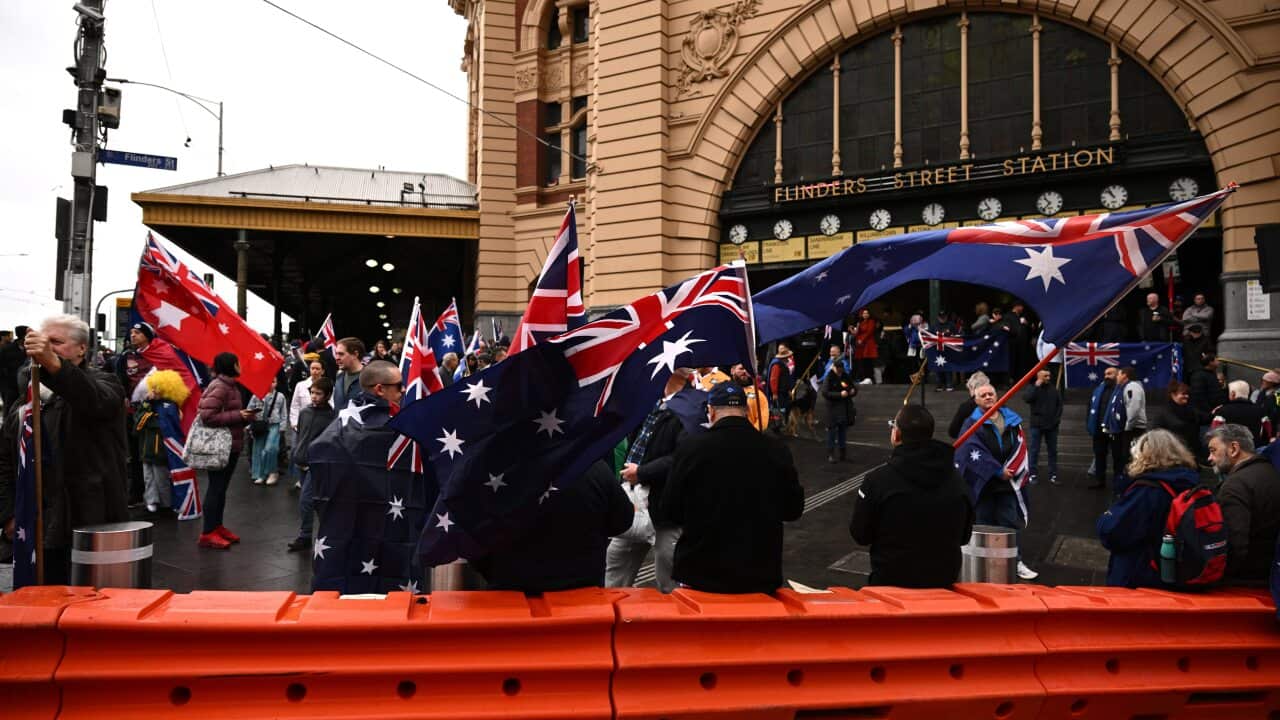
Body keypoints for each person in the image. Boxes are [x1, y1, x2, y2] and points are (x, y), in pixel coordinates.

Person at [0, 315, 128, 583]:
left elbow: (93, 399)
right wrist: (9, 514)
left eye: (56, 342)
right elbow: (5, 461)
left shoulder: (106, 384)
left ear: (82, 348)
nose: (47, 348)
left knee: (90, 608)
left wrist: (53, 365)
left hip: (90, 522)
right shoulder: (23, 401)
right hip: (36, 525)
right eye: (43, 342)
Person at [661, 381, 803, 594]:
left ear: (710, 411)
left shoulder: (691, 449)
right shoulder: (776, 449)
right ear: (746, 411)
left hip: (700, 572)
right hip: (759, 574)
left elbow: (670, 510)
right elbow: (793, 509)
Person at [850, 405, 974, 588]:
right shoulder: (957, 480)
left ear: (897, 434)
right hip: (942, 583)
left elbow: (860, 534)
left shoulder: (877, 480)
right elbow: (965, 536)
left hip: (891, 583)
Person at [605, 368, 704, 593]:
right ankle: (610, 618)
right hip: (635, 497)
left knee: (667, 579)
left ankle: (674, 624)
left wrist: (643, 471)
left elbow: (683, 457)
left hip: (665, 505)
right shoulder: (652, 399)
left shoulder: (691, 407)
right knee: (615, 564)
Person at [477, 458, 634, 591]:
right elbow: (622, 521)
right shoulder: (592, 463)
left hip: (509, 596)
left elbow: (471, 539)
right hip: (583, 600)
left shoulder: (491, 470)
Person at [1096, 429, 1200, 588]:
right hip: (1172, 569)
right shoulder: (1188, 482)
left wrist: (1106, 518)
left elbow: (1112, 531)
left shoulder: (1148, 490)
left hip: (1141, 574)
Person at [957, 383, 1038, 581]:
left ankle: (1015, 560)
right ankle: (981, 562)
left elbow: (1021, 446)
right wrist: (996, 470)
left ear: (997, 396)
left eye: (990, 393)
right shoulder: (971, 423)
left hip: (1008, 485)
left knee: (1009, 524)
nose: (987, 397)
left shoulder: (1012, 420)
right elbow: (969, 449)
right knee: (983, 523)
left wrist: (1013, 470)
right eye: (982, 395)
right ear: (975, 400)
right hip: (983, 484)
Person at [1207, 424, 1280, 584]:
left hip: (1249, 580)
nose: (1209, 458)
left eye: (1213, 451)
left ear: (1233, 448)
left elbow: (1235, 546)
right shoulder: (1271, 472)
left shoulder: (1235, 486)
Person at [196, 352, 253, 550]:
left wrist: (243, 416)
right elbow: (207, 415)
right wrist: (238, 415)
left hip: (231, 445)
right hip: (221, 447)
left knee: (221, 489)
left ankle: (216, 526)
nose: (241, 365)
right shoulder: (220, 386)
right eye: (238, 362)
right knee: (216, 488)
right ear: (231, 365)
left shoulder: (230, 386)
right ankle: (207, 532)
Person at [287, 377, 335, 552]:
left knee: (306, 501)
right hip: (301, 461)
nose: (314, 397)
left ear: (328, 395)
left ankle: (307, 535)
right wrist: (296, 454)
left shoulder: (332, 417)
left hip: (316, 465)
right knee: (311, 501)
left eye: (318, 393)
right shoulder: (305, 412)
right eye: (312, 393)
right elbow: (300, 435)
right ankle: (313, 534)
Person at [134, 370, 191, 514]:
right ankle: (151, 502)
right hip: (147, 447)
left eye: (156, 387)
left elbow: (164, 425)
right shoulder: (149, 404)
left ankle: (166, 504)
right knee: (148, 478)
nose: (153, 390)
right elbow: (138, 422)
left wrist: (149, 415)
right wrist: (147, 405)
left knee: (161, 478)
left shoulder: (169, 406)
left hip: (161, 449)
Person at [1104, 366, 1147, 491]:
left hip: (1133, 429)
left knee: (1129, 458)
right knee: (1124, 458)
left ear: (1125, 375)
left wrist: (1127, 427)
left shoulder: (1132, 387)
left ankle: (1130, 486)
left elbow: (1133, 409)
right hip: (1129, 429)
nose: (1117, 377)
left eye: (1119, 374)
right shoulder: (1125, 387)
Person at [1022, 368, 1063, 485]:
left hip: (1052, 425)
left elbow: (1059, 406)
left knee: (1053, 451)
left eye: (1049, 376)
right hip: (1037, 425)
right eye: (1045, 376)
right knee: (1034, 450)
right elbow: (1027, 398)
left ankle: (1053, 475)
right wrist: (1036, 386)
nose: (1048, 378)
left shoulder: (1054, 390)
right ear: (1039, 376)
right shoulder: (1033, 388)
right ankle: (1032, 474)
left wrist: (1056, 421)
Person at [1151, 381, 1207, 463]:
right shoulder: (1163, 413)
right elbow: (1155, 436)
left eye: (1187, 394)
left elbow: (1205, 417)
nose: (1187, 396)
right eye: (1183, 394)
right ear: (1173, 394)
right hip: (1174, 456)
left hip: (1193, 455)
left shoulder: (1191, 410)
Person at [247, 377, 288, 486]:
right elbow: (249, 410)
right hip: (259, 425)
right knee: (258, 449)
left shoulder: (280, 396)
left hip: (274, 424)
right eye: (268, 381)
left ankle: (272, 472)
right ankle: (260, 474)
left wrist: (283, 427)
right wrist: (252, 418)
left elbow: (283, 413)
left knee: (270, 449)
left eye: (273, 381)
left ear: (277, 383)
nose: (271, 383)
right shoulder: (256, 395)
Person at [1211, 380, 1273, 448]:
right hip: (1253, 449)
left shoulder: (1222, 411)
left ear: (1233, 394)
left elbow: (1215, 432)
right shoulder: (1260, 411)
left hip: (1229, 450)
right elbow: (1267, 431)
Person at [1086, 367, 1120, 489]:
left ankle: (1118, 482)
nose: (1106, 376)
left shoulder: (1121, 390)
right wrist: (1089, 424)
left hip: (1115, 430)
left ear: (1117, 375)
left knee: (1118, 457)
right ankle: (1100, 481)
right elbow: (1090, 408)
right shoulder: (1098, 390)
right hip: (1099, 429)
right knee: (1099, 455)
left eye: (1110, 374)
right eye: (1105, 374)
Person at [821, 358, 856, 463]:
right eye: (838, 369)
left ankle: (842, 454)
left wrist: (853, 391)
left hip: (844, 408)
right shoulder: (829, 377)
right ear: (835, 368)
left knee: (842, 433)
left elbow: (852, 386)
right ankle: (830, 454)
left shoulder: (845, 376)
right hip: (833, 409)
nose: (840, 371)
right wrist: (839, 394)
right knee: (832, 433)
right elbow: (825, 392)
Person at [947, 371, 989, 439]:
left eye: (969, 389)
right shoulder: (999, 404)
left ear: (972, 388)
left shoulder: (966, 406)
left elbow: (953, 431)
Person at [729, 362, 770, 432]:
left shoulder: (758, 394)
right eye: (741, 369)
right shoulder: (723, 391)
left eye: (747, 369)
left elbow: (763, 420)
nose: (745, 371)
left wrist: (750, 435)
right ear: (732, 371)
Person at [331, 337, 366, 409]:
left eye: (341, 354)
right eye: (336, 354)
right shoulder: (339, 377)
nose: (337, 358)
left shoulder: (371, 378)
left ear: (355, 354)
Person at [766, 343, 795, 427]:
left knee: (783, 408)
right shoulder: (777, 365)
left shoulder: (782, 363)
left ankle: (782, 423)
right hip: (779, 392)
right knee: (779, 409)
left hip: (784, 391)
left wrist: (789, 389)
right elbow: (773, 379)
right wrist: (774, 393)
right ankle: (778, 425)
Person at [0, 325, 28, 409]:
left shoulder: (29, 348)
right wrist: (5, 386)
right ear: (23, 336)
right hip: (10, 388)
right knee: (9, 409)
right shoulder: (6, 350)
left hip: (26, 387)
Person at [932, 311, 959, 391]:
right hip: (937, 350)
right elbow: (930, 335)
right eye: (941, 317)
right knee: (938, 366)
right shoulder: (934, 326)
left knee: (948, 367)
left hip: (948, 349)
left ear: (946, 317)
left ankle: (949, 384)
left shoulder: (951, 325)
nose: (942, 318)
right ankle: (939, 384)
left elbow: (956, 335)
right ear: (938, 317)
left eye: (944, 316)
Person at [852, 308, 878, 384]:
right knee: (862, 361)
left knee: (868, 361)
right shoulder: (860, 322)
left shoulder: (871, 322)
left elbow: (869, 332)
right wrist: (852, 330)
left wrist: (862, 339)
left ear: (869, 315)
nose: (865, 315)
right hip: (861, 345)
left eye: (867, 313)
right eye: (864, 313)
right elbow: (857, 334)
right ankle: (865, 378)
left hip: (868, 344)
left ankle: (869, 378)